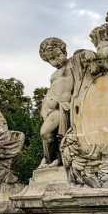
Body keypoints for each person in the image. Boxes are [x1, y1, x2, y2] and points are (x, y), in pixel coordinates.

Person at [38, 38, 73, 167]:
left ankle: (49, 159)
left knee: (45, 132)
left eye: (58, 55)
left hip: (64, 107)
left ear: (64, 51)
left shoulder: (73, 65)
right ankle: (55, 159)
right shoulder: (54, 75)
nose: (56, 61)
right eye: (51, 59)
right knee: (54, 135)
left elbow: (84, 57)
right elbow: (51, 91)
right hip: (51, 109)